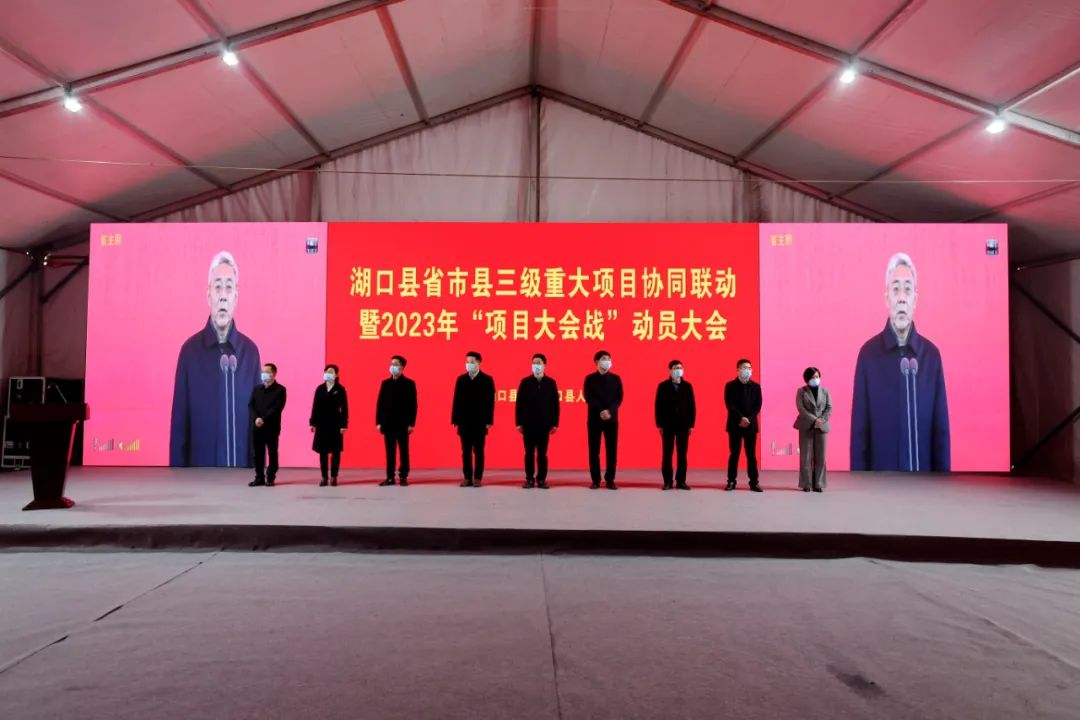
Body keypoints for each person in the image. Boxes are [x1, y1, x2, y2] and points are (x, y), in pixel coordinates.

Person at [851, 252, 950, 472]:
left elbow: (941, 434)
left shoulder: (931, 356)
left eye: (908, 289)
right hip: (880, 487)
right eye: (896, 289)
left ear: (916, 298)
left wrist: (944, 485)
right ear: (887, 298)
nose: (902, 297)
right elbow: (860, 436)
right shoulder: (868, 356)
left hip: (924, 486)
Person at [170, 250, 261, 467]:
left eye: (229, 287)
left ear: (236, 297)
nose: (223, 295)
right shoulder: (189, 353)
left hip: (240, 479)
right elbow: (179, 429)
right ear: (208, 295)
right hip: (199, 480)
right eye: (217, 287)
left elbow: (257, 427)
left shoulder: (250, 353)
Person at [451, 351, 495, 487]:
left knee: (479, 451)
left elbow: (490, 402)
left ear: (479, 363)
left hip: (480, 422)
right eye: (467, 362)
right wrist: (455, 419)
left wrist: (489, 420)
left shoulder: (487, 380)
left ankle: (477, 478)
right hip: (464, 421)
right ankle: (467, 477)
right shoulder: (461, 380)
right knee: (466, 452)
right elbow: (456, 400)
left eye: (472, 362)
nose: (469, 364)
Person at [515, 353, 559, 489]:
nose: (536, 365)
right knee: (529, 453)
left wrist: (555, 423)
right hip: (528, 424)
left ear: (545, 365)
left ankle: (541, 479)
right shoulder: (525, 382)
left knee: (542, 454)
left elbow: (555, 404)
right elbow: (519, 404)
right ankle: (529, 479)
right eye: (534, 363)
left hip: (544, 424)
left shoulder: (550, 383)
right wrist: (518, 423)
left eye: (539, 363)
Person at [583, 350, 623, 490]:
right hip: (594, 418)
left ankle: (610, 480)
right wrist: (601, 410)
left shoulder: (616, 379)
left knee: (611, 450)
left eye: (609, 359)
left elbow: (619, 398)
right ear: (597, 361)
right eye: (604, 359)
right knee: (594, 450)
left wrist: (610, 411)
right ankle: (595, 480)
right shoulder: (590, 379)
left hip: (611, 419)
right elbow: (588, 397)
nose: (607, 361)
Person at [654, 360, 696, 490]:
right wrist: (659, 424)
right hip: (667, 424)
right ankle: (668, 481)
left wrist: (691, 424)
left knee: (682, 454)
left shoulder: (687, 386)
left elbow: (692, 406)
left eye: (680, 367)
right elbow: (658, 406)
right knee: (667, 453)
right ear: (670, 370)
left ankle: (681, 481)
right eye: (675, 368)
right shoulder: (663, 386)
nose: (678, 370)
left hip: (683, 424)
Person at [377, 355, 417, 487]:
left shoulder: (409, 384)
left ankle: (403, 476)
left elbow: (413, 405)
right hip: (388, 423)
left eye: (396, 364)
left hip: (403, 423)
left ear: (402, 367)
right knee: (390, 452)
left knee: (404, 451)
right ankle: (390, 477)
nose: (392, 366)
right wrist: (379, 422)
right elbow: (380, 404)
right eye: (391, 364)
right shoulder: (385, 383)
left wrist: (411, 423)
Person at [725, 358, 763, 492]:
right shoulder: (730, 386)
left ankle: (754, 482)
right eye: (744, 368)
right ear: (738, 370)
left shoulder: (756, 386)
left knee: (751, 455)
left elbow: (758, 406)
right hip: (735, 424)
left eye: (749, 368)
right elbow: (730, 405)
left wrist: (749, 419)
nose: (747, 370)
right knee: (734, 454)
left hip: (750, 425)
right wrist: (741, 418)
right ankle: (731, 481)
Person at [248, 364, 286, 487]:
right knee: (257, 454)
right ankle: (259, 477)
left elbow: (277, 408)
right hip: (257, 426)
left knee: (272, 453)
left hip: (271, 427)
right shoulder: (257, 389)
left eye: (267, 371)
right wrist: (256, 418)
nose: (263, 374)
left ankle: (270, 477)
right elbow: (251, 405)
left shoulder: (280, 390)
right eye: (262, 371)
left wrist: (263, 419)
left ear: (273, 374)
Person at [794, 367, 831, 492]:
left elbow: (829, 408)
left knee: (821, 457)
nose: (815, 379)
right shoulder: (801, 391)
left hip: (822, 427)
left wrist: (821, 420)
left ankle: (819, 483)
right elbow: (801, 408)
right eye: (812, 377)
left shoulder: (825, 391)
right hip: (806, 426)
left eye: (817, 376)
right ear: (807, 379)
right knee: (806, 456)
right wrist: (814, 420)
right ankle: (806, 483)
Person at [310, 364, 348, 487]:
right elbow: (315, 406)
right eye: (326, 371)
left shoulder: (340, 389)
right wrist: (312, 422)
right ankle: (324, 477)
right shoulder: (320, 389)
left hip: (336, 424)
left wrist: (344, 425)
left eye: (331, 372)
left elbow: (344, 408)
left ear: (336, 375)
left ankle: (334, 476)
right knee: (323, 452)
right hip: (321, 424)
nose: (328, 373)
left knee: (335, 452)